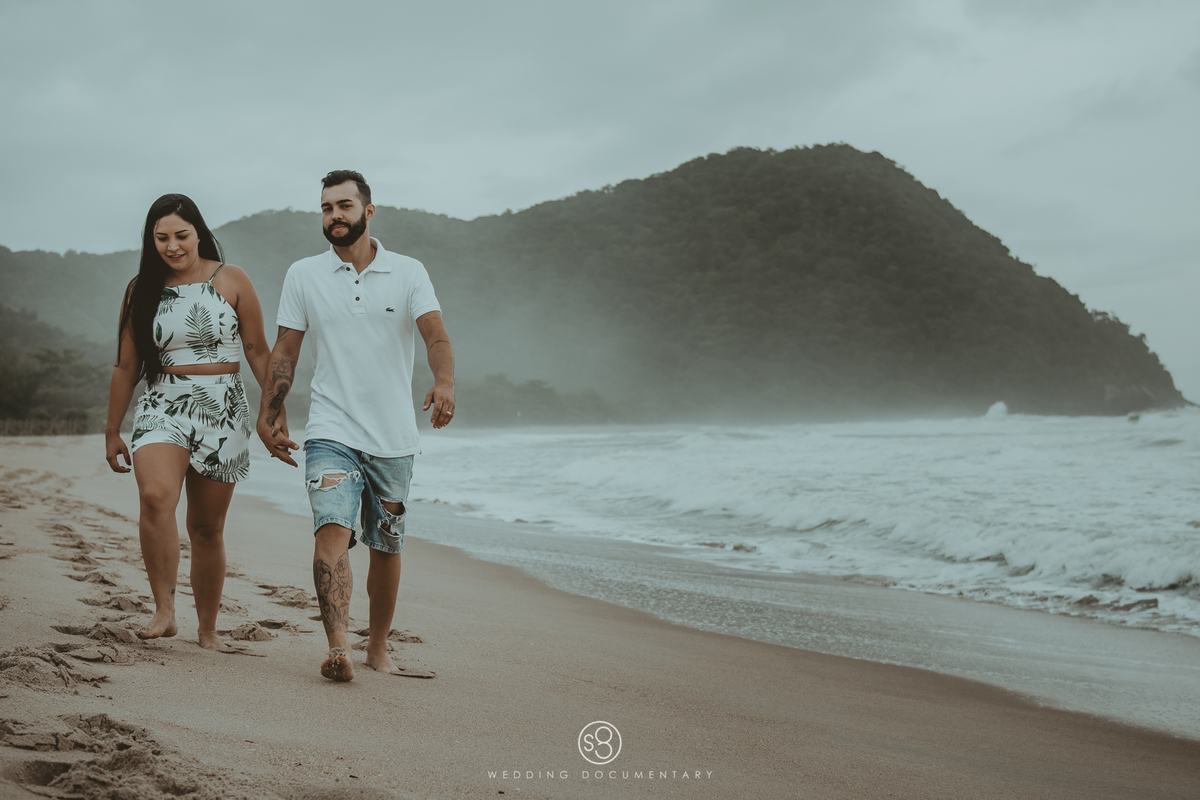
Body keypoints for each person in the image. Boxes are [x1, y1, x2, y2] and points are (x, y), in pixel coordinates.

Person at [257, 170, 455, 682]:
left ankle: (378, 648)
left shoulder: (408, 271)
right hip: (331, 429)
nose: (334, 216)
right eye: (326, 207)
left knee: (386, 547)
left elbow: (434, 335)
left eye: (344, 205)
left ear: (368, 211)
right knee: (331, 527)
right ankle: (339, 647)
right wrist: (268, 411)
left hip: (393, 438)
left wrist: (444, 381)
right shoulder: (304, 274)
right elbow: (286, 349)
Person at [105, 194, 275, 652]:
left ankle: (208, 630)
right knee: (156, 496)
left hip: (225, 409)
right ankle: (164, 610)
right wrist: (112, 429)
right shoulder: (140, 289)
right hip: (162, 404)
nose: (172, 246)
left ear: (199, 233)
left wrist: (273, 410)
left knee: (205, 528)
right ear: (151, 240)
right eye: (161, 238)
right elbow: (126, 366)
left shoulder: (231, 279)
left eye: (181, 235)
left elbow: (259, 352)